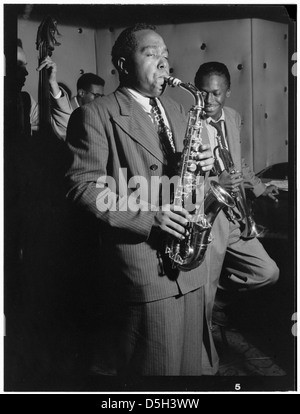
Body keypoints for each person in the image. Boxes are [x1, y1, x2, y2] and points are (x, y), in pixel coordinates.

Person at [65, 23, 218, 377]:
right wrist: (150, 217)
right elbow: (83, 188)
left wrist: (203, 166)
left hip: (190, 265)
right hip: (145, 266)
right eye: (151, 55)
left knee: (190, 374)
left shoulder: (180, 112)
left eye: (166, 56)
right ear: (123, 64)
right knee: (155, 376)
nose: (164, 63)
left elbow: (186, 183)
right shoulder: (94, 114)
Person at [194, 61, 280, 327]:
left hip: (235, 216)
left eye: (216, 93)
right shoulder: (187, 122)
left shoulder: (232, 116)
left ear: (227, 92)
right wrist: (216, 183)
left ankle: (216, 299)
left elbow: (237, 163)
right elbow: (179, 180)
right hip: (209, 218)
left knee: (268, 272)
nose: (208, 100)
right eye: (203, 92)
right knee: (202, 308)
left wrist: (260, 188)